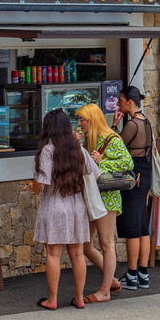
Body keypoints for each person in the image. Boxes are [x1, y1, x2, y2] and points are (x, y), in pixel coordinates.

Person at [31, 108, 101, 309]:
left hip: (54, 205)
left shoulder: (48, 150)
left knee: (53, 254)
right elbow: (95, 174)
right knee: (78, 254)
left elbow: (41, 182)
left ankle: (52, 300)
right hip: (76, 206)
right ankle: (79, 298)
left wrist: (33, 182)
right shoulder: (78, 148)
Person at [75, 103, 133, 300]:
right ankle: (112, 282)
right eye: (79, 119)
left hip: (107, 198)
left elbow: (127, 163)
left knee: (106, 243)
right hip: (93, 197)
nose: (79, 123)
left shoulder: (111, 138)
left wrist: (103, 161)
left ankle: (105, 291)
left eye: (82, 119)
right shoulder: (90, 140)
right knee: (85, 245)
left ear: (92, 120)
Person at [115, 85, 156, 290]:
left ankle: (131, 275)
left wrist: (114, 125)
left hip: (134, 175)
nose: (118, 105)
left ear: (130, 103)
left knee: (131, 226)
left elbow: (116, 148)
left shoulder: (132, 125)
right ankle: (143, 273)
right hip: (145, 173)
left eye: (121, 101)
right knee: (141, 225)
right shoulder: (146, 122)